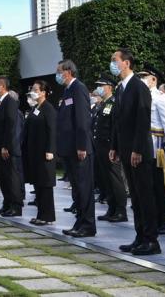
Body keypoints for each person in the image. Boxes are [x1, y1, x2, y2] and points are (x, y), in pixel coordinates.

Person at [110, 48, 160, 256]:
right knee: (136, 198)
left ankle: (151, 241)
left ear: (127, 63)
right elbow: (117, 121)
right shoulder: (121, 88)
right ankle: (140, 237)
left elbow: (142, 120)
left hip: (138, 151)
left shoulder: (138, 87)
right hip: (125, 148)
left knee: (145, 196)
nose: (112, 63)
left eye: (115, 60)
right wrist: (114, 145)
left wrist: (138, 149)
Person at [56, 60, 97, 238]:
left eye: (59, 71)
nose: (57, 75)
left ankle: (88, 224)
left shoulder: (78, 88)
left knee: (83, 187)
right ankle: (80, 222)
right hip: (69, 148)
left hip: (78, 148)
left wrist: (82, 145)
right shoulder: (67, 91)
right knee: (77, 189)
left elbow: (82, 120)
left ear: (68, 72)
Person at [138, 65, 165, 234]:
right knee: (150, 186)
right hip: (145, 146)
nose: (141, 79)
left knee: (162, 185)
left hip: (158, 147)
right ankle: (155, 218)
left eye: (144, 76)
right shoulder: (143, 96)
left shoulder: (161, 98)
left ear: (153, 79)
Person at [93, 75, 128, 223]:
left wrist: (115, 147)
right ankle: (111, 208)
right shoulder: (103, 104)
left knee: (115, 178)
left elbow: (115, 127)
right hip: (100, 145)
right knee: (105, 178)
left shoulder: (113, 103)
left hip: (110, 145)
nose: (98, 88)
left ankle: (121, 210)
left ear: (109, 87)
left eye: (101, 85)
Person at [24, 80, 57, 226]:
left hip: (44, 152)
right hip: (35, 152)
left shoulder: (48, 108)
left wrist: (50, 150)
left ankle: (47, 216)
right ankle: (40, 214)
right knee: (38, 185)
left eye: (36, 89)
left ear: (43, 92)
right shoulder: (35, 108)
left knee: (45, 185)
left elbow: (52, 130)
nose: (33, 91)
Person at [0, 76, 24, 217]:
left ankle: (15, 206)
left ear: (3, 87)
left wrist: (6, 146)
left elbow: (10, 125)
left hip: (7, 147)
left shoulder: (9, 101)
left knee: (11, 177)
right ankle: (7, 203)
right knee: (3, 177)